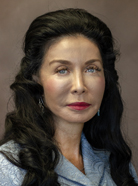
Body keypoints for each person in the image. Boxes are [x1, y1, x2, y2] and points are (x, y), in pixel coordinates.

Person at [0, 8, 137, 186]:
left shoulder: (115, 162)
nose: (79, 86)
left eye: (91, 69)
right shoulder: (7, 167)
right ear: (36, 78)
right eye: (62, 70)